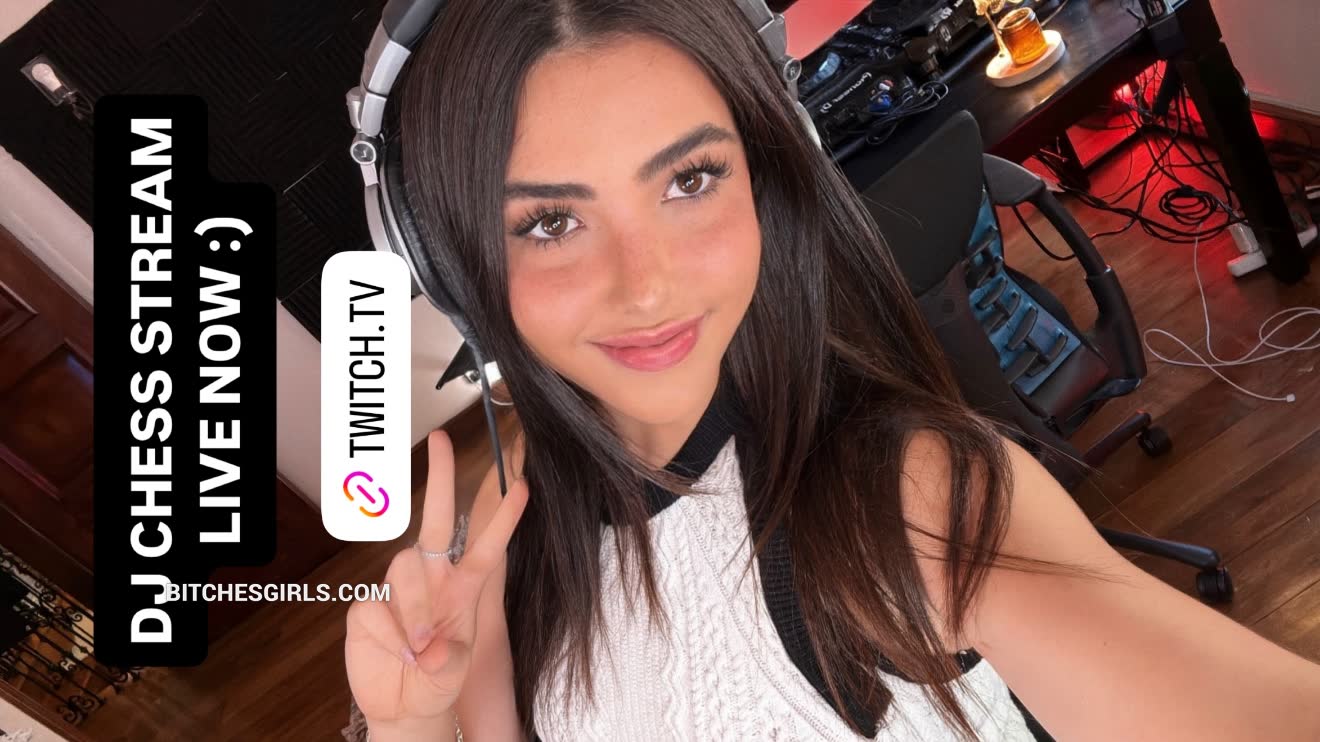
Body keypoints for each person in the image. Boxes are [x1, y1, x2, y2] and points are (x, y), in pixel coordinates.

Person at [342, 1, 1320, 740]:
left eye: (690, 179)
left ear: (770, 174)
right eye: (551, 222)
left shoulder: (911, 500)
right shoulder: (515, 528)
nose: (646, 287)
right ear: (449, 267)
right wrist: (411, 722)